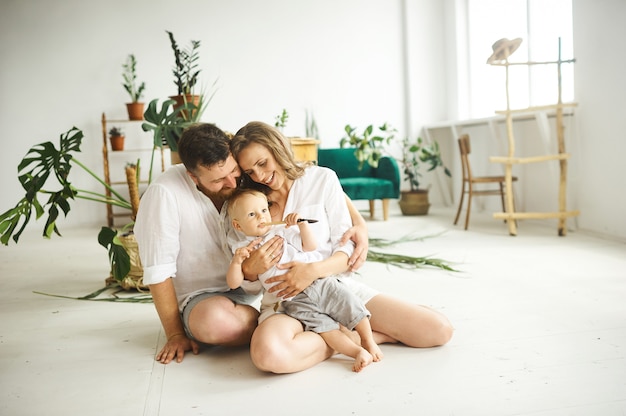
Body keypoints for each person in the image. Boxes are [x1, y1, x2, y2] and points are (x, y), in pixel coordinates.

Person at [134, 123, 369, 365]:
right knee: (218, 322)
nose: (233, 184)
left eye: (234, 172)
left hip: (255, 292)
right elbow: (157, 270)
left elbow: (318, 182)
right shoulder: (164, 194)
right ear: (193, 176)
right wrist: (174, 334)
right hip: (204, 296)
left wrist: (359, 222)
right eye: (218, 180)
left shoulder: (245, 173)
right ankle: (323, 332)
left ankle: (313, 329)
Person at [230, 121, 454, 374]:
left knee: (438, 330)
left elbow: (347, 251)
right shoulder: (246, 205)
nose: (259, 176)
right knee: (269, 356)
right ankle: (349, 339)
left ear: (278, 148)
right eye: (250, 171)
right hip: (285, 304)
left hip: (334, 289)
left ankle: (342, 338)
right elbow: (248, 281)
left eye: (262, 163)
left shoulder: (321, 179)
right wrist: (250, 268)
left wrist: (312, 271)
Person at [226, 188, 383, 372]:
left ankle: (368, 340)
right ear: (238, 226)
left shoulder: (281, 231)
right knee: (326, 331)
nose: (261, 217)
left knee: (350, 305)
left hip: (317, 282)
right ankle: (356, 352)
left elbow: (310, 246)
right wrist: (237, 263)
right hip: (292, 299)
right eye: (252, 214)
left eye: (264, 210)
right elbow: (234, 283)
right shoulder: (243, 248)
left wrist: (302, 226)